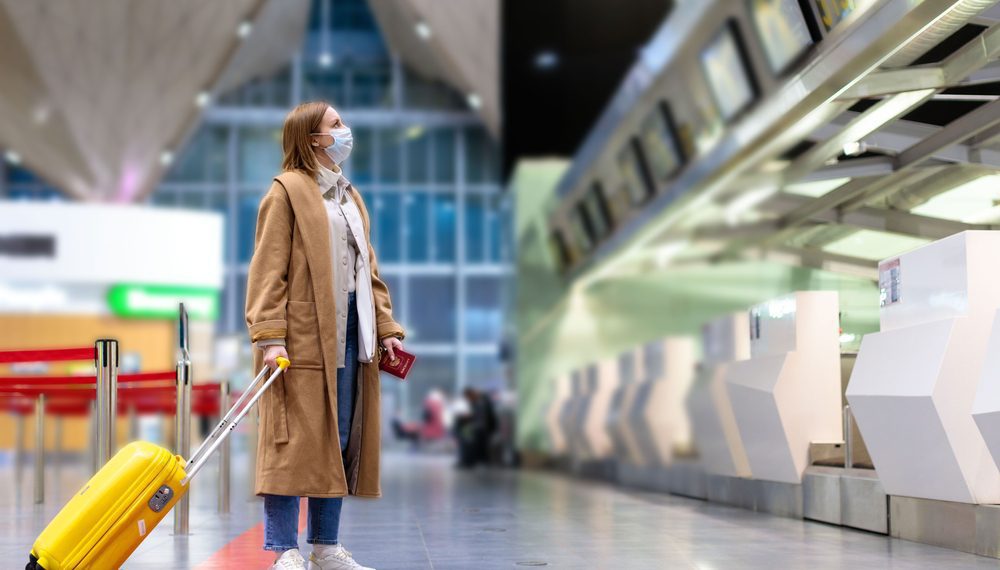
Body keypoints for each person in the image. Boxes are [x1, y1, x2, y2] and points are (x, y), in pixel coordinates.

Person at [245, 101, 406, 570]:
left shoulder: (349, 197)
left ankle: (325, 546)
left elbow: (368, 272)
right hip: (299, 340)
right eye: (335, 125)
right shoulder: (286, 192)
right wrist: (270, 336)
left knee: (334, 441)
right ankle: (283, 549)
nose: (344, 131)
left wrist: (388, 329)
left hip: (352, 336)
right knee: (292, 440)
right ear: (312, 138)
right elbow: (266, 272)